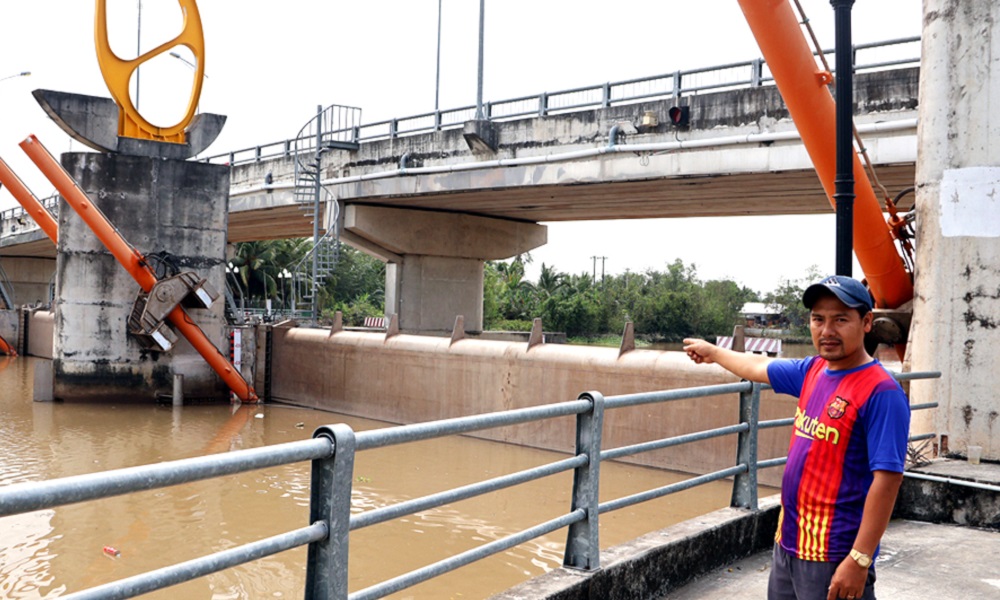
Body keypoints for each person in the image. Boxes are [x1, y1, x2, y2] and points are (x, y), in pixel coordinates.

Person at [683, 275, 910, 600]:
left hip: (835, 552)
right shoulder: (813, 371)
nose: (827, 331)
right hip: (789, 543)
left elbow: (887, 479)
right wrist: (713, 353)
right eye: (818, 319)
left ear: (867, 322)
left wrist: (859, 559)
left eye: (841, 320)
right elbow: (758, 365)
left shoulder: (881, 392)